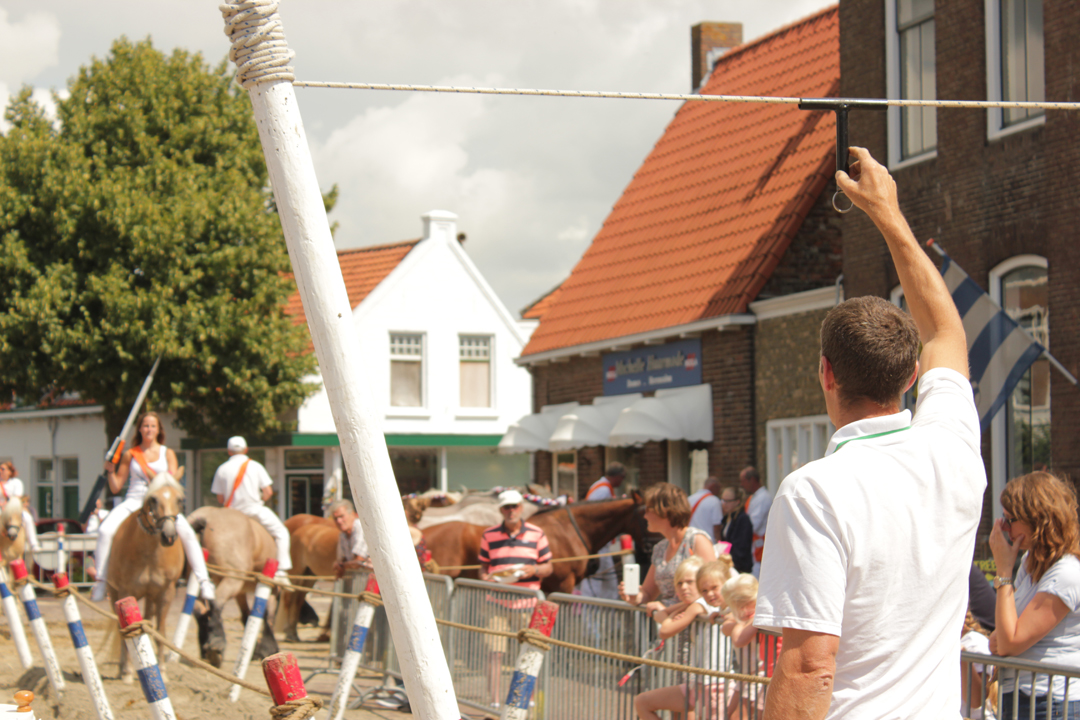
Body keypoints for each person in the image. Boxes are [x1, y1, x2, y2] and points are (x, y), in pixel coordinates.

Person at [754, 147, 985, 719]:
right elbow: (945, 332)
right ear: (911, 377)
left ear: (825, 373)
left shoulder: (814, 491)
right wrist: (889, 214)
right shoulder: (952, 452)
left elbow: (810, 665)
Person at [91, 412, 215, 602]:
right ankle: (101, 581)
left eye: (153, 426)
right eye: (146, 426)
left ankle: (204, 581)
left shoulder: (168, 453)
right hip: (134, 500)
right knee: (105, 531)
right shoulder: (130, 454)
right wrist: (110, 471)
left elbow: (171, 481)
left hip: (161, 503)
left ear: (159, 430)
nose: (149, 429)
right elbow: (116, 487)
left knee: (188, 534)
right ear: (140, 429)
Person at [988, 471, 1080, 718]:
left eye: (1010, 519)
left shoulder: (1068, 572)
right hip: (1021, 696)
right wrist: (1005, 634)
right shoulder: (1030, 562)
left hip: (1050, 702)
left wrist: (1004, 570)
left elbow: (1009, 642)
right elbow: (1002, 634)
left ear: (1037, 519)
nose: (1003, 527)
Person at [478, 489, 553, 706]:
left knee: (528, 653)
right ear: (501, 510)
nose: (511, 511)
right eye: (507, 507)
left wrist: (534, 571)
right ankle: (495, 701)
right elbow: (483, 566)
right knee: (495, 652)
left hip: (528, 603)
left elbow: (548, 566)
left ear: (521, 507)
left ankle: (524, 698)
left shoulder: (537, 533)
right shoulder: (488, 535)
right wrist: (486, 578)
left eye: (515, 506)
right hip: (497, 603)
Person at [633, 556, 719, 720]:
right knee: (642, 702)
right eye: (679, 583)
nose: (684, 587)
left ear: (701, 583)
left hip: (713, 683)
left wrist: (666, 615)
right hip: (699, 682)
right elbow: (662, 617)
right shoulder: (690, 605)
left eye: (689, 582)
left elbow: (664, 630)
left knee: (642, 702)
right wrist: (667, 613)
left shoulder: (699, 603)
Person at [620, 482, 716, 609]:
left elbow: (714, 590)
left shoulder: (697, 540)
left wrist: (668, 610)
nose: (645, 516)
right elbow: (648, 593)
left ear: (664, 511)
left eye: (648, 510)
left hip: (695, 625)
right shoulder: (660, 549)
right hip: (668, 623)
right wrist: (634, 596)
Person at [210, 436, 292, 583]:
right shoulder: (256, 466)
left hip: (231, 515)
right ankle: (282, 571)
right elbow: (268, 492)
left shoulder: (221, 469)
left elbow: (221, 499)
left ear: (229, 451)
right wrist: (259, 499)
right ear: (246, 450)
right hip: (254, 511)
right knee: (282, 533)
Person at [580, 463, 626, 600]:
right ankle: (591, 619)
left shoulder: (601, 486)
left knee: (609, 582)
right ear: (617, 477)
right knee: (597, 580)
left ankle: (609, 615)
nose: (622, 481)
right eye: (622, 477)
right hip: (598, 544)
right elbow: (593, 514)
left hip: (601, 543)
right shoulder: (603, 490)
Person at [0, 461, 41, 552]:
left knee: (28, 519)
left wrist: (6, 505)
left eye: (3, 469)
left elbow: (17, 497)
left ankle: (33, 544)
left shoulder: (17, 482)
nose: (0, 471)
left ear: (10, 471)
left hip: (13, 509)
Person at [738, 467, 770, 577]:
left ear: (751, 479)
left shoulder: (763, 498)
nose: (742, 485)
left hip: (760, 547)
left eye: (743, 481)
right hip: (754, 548)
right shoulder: (754, 497)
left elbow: (753, 525)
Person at [329, 499, 370, 578]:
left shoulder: (361, 529)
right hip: (359, 579)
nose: (339, 521)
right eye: (335, 518)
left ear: (352, 514)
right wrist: (339, 564)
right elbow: (343, 559)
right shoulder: (342, 535)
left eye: (341, 516)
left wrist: (342, 566)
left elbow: (358, 562)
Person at [718, 486, 753, 575]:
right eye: (722, 500)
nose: (724, 504)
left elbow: (742, 547)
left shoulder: (743, 519)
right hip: (728, 565)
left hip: (740, 567)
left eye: (727, 501)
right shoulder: (726, 518)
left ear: (737, 502)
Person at [687, 477, 724, 543]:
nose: (719, 492)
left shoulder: (689, 499)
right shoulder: (714, 501)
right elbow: (716, 527)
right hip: (708, 542)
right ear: (713, 486)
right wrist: (719, 544)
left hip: (690, 541)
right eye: (719, 489)